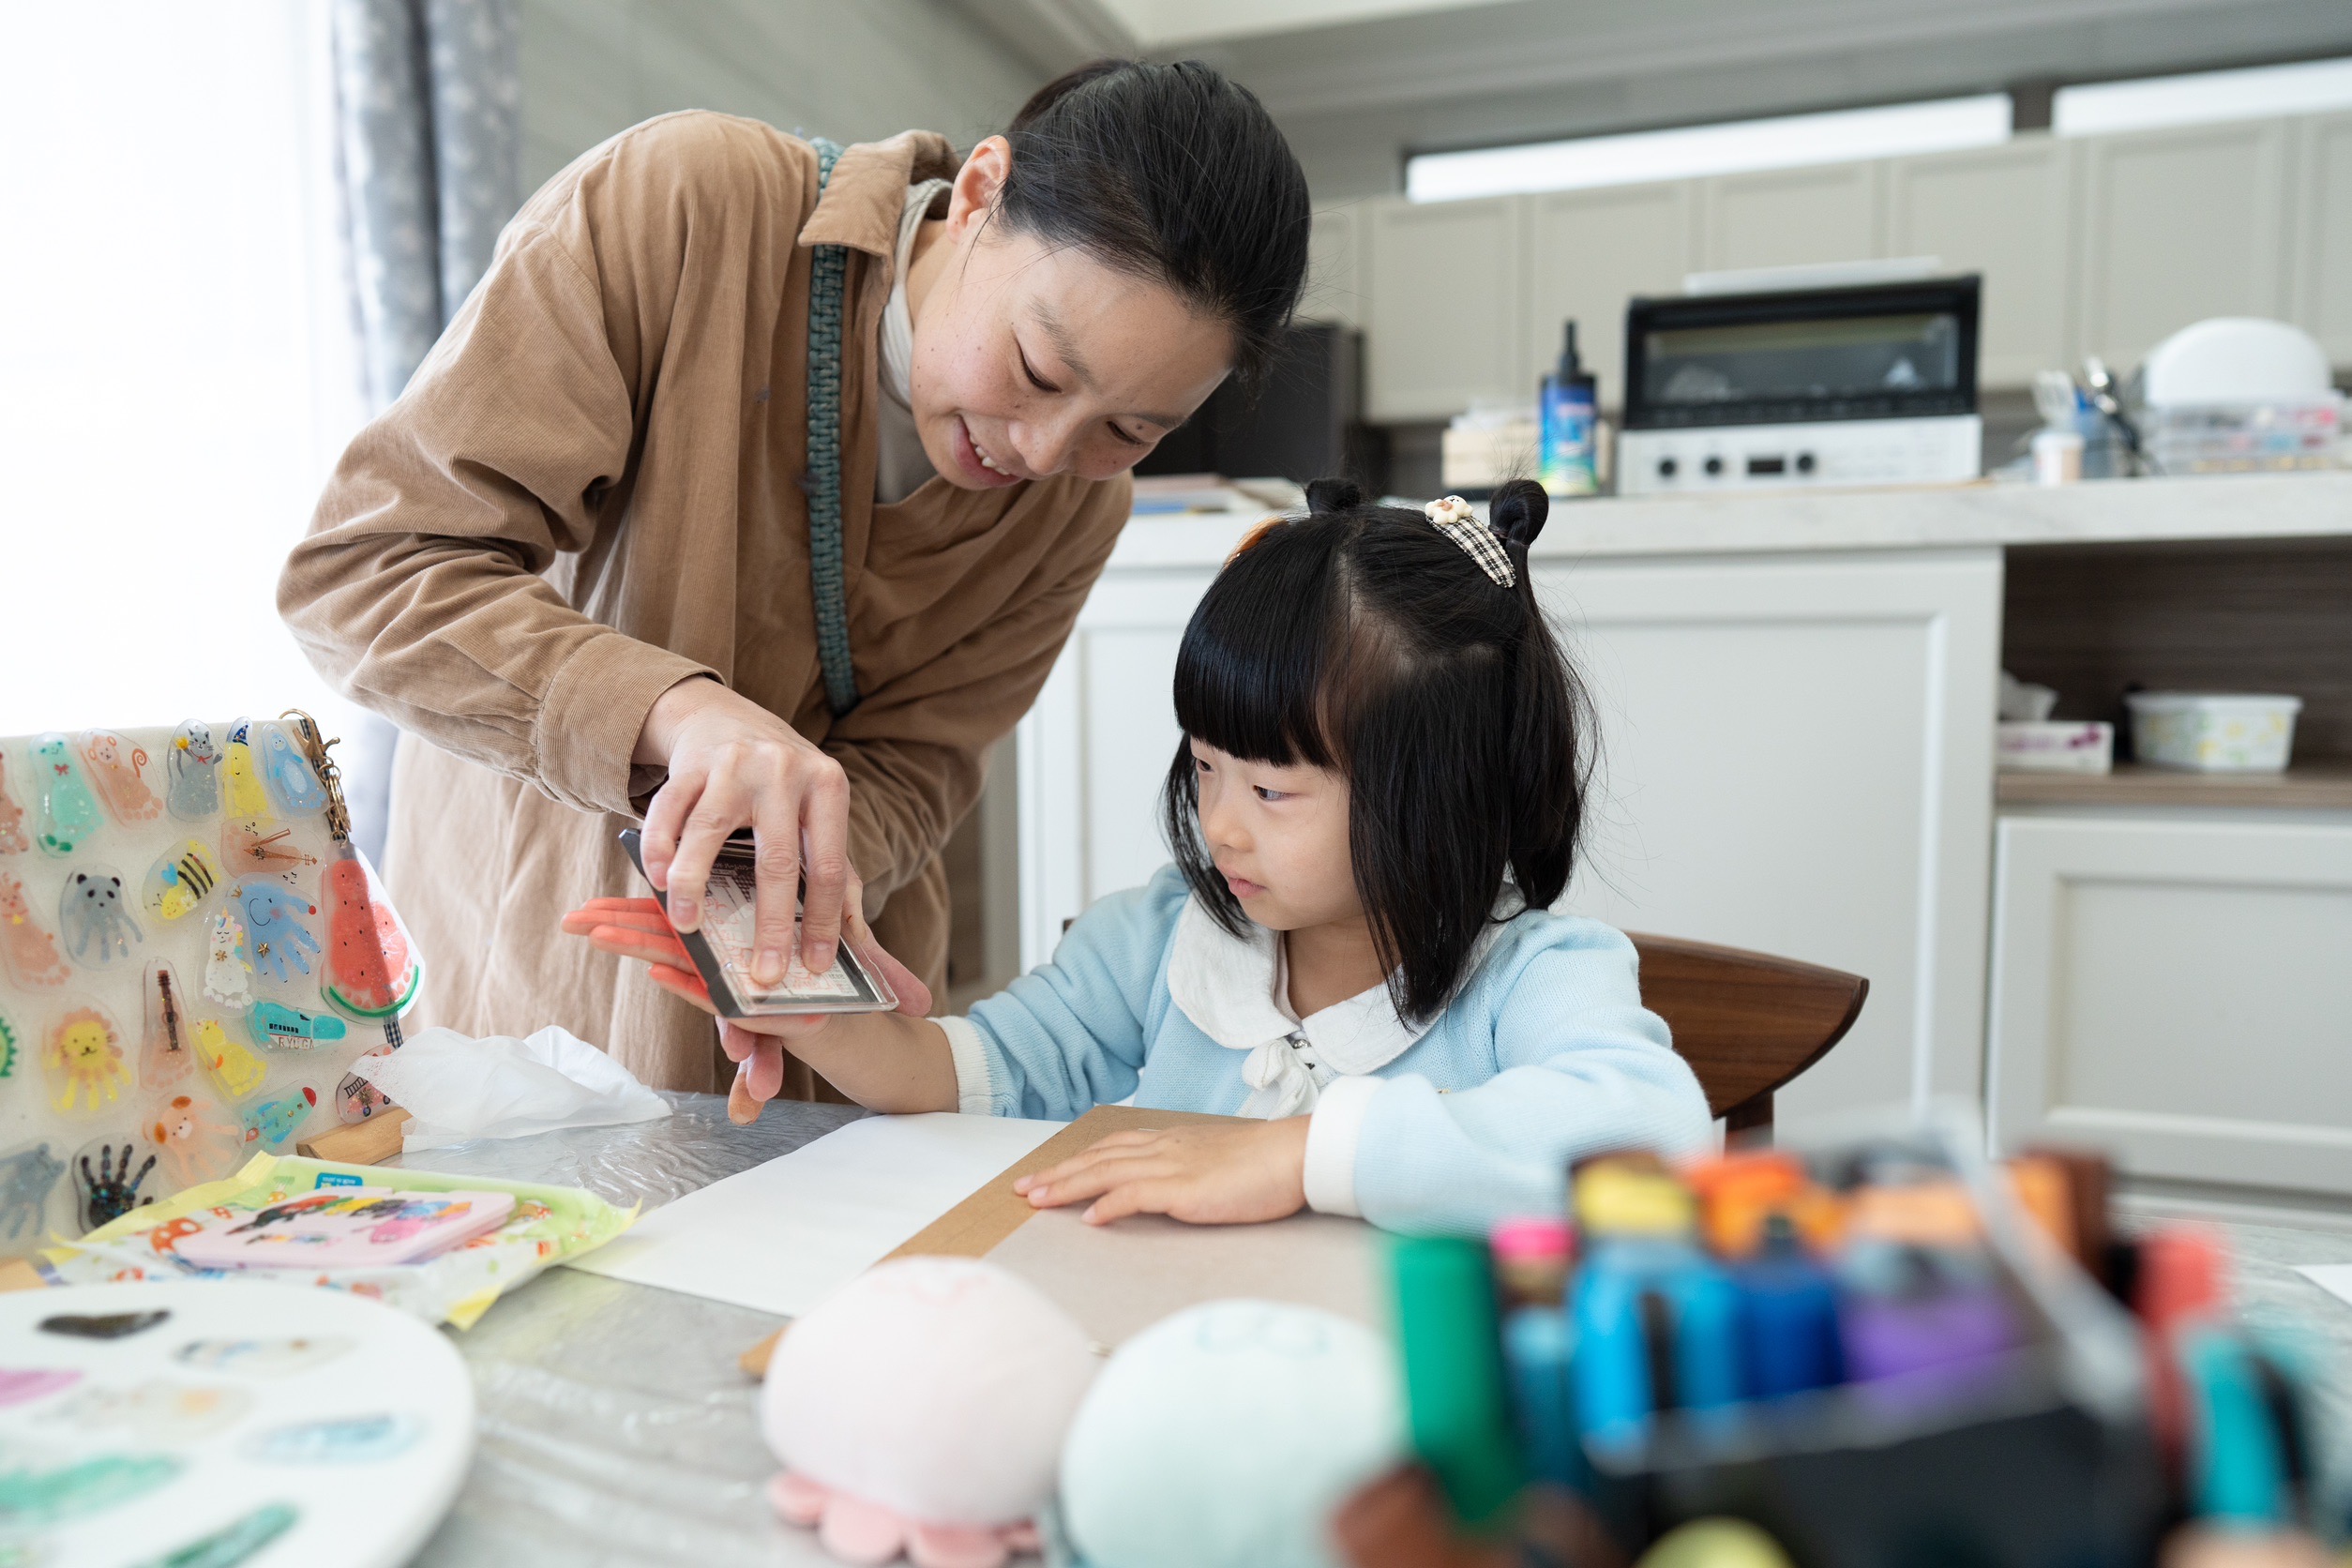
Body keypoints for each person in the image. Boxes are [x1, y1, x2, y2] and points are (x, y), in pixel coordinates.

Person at [279, 61, 1311, 1103]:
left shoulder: (1082, 507)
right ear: (980, 193)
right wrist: (678, 714)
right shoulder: (682, 206)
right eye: (1040, 371)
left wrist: (789, 913)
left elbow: (923, 763)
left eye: (1130, 431)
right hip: (547, 970)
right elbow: (367, 569)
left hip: (822, 1033)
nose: (1044, 451)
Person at [569, 479, 1712, 1232]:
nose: (1219, 824)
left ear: (1442, 794)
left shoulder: (1537, 977)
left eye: (1271, 788)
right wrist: (824, 1017)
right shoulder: (1164, 936)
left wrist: (1296, 1157)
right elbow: (983, 1075)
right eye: (1206, 767)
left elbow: (1647, 1128)